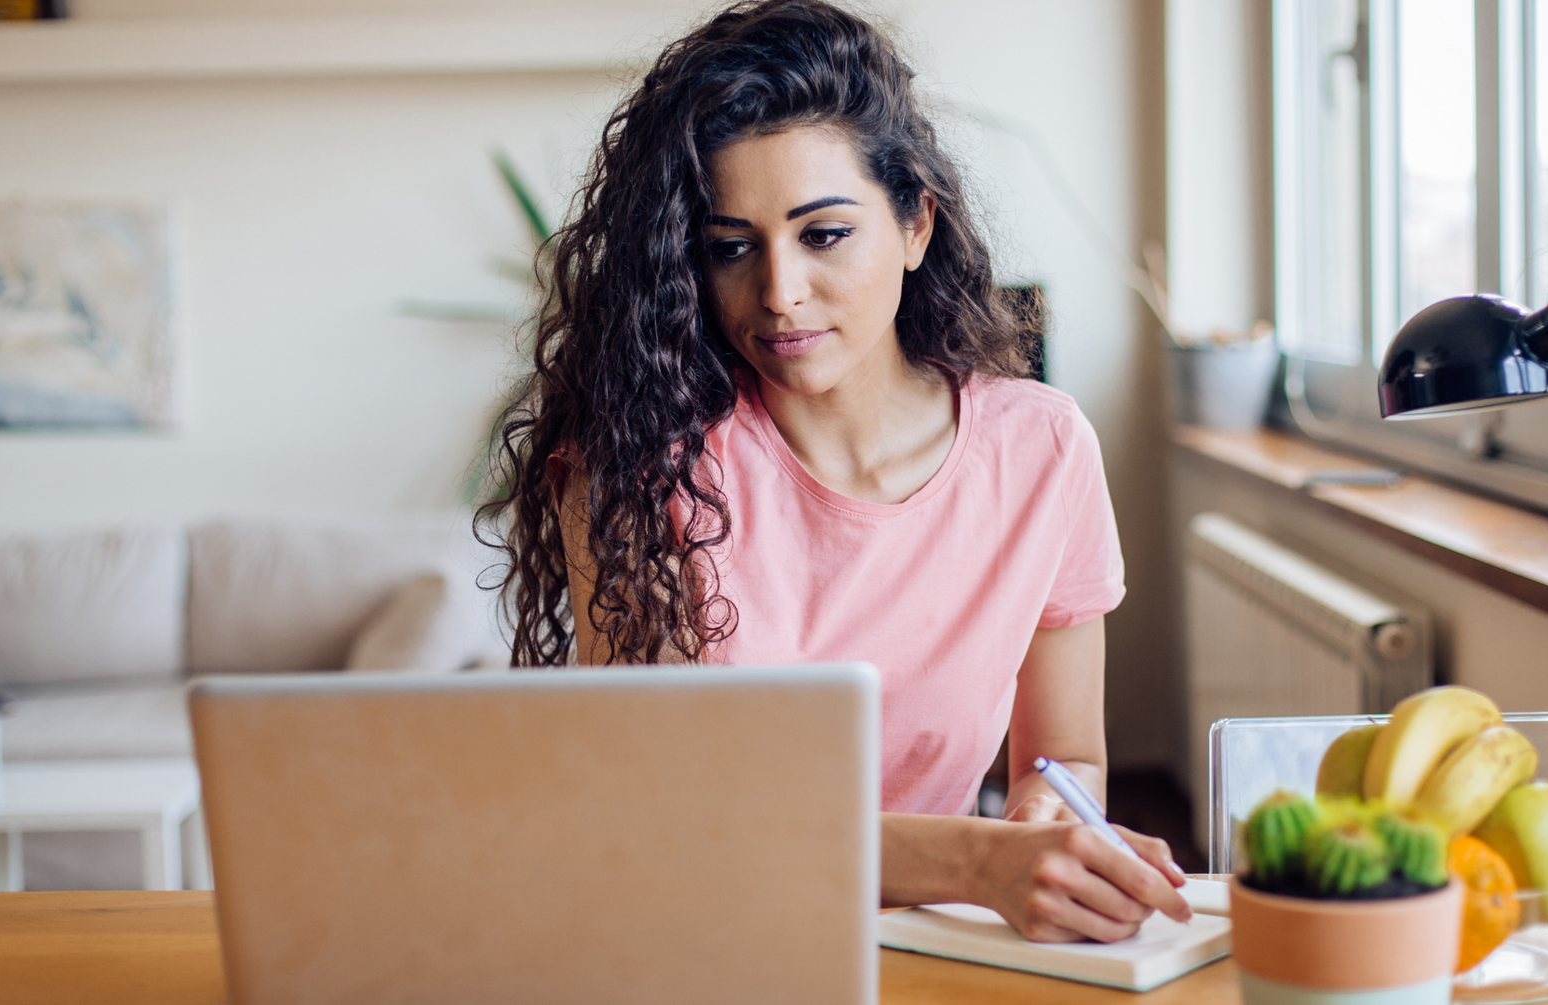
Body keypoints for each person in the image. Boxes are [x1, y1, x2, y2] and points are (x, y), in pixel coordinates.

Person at [480, 0, 1190, 942]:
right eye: (732, 247)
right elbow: (672, 815)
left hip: (932, 940)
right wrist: (979, 859)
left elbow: (1061, 759)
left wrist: (1047, 829)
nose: (778, 293)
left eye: (824, 235)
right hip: (691, 940)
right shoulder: (638, 462)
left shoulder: (1042, 448)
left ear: (915, 226)